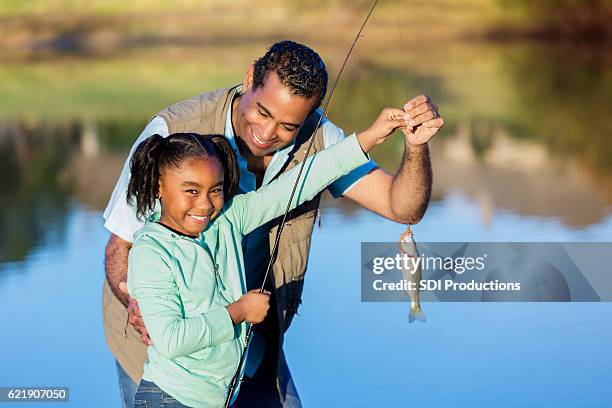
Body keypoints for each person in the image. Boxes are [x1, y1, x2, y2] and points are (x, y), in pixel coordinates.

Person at [102, 40, 444, 408]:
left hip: (246, 352)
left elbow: (335, 186)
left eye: (287, 126)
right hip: (169, 376)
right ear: (249, 78)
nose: (266, 133)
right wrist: (139, 303)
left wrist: (394, 140)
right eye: (262, 112)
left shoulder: (232, 211)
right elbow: (120, 247)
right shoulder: (172, 132)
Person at [126, 128, 393, 407]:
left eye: (215, 190)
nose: (205, 204)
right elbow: (171, 340)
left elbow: (295, 186)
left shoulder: (228, 218)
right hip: (169, 399)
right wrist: (238, 312)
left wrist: (369, 138)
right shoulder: (151, 252)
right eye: (191, 190)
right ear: (159, 186)